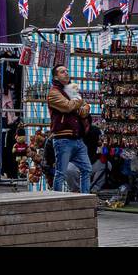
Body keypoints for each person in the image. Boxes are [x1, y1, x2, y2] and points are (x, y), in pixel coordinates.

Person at [47, 62, 93, 194]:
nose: (66, 72)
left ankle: (85, 198)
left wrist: (78, 105)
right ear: (55, 77)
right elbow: (68, 106)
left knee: (86, 169)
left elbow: (85, 111)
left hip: (77, 138)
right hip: (62, 138)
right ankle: (57, 200)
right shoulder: (53, 93)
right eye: (62, 71)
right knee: (60, 172)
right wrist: (79, 101)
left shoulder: (71, 90)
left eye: (67, 70)